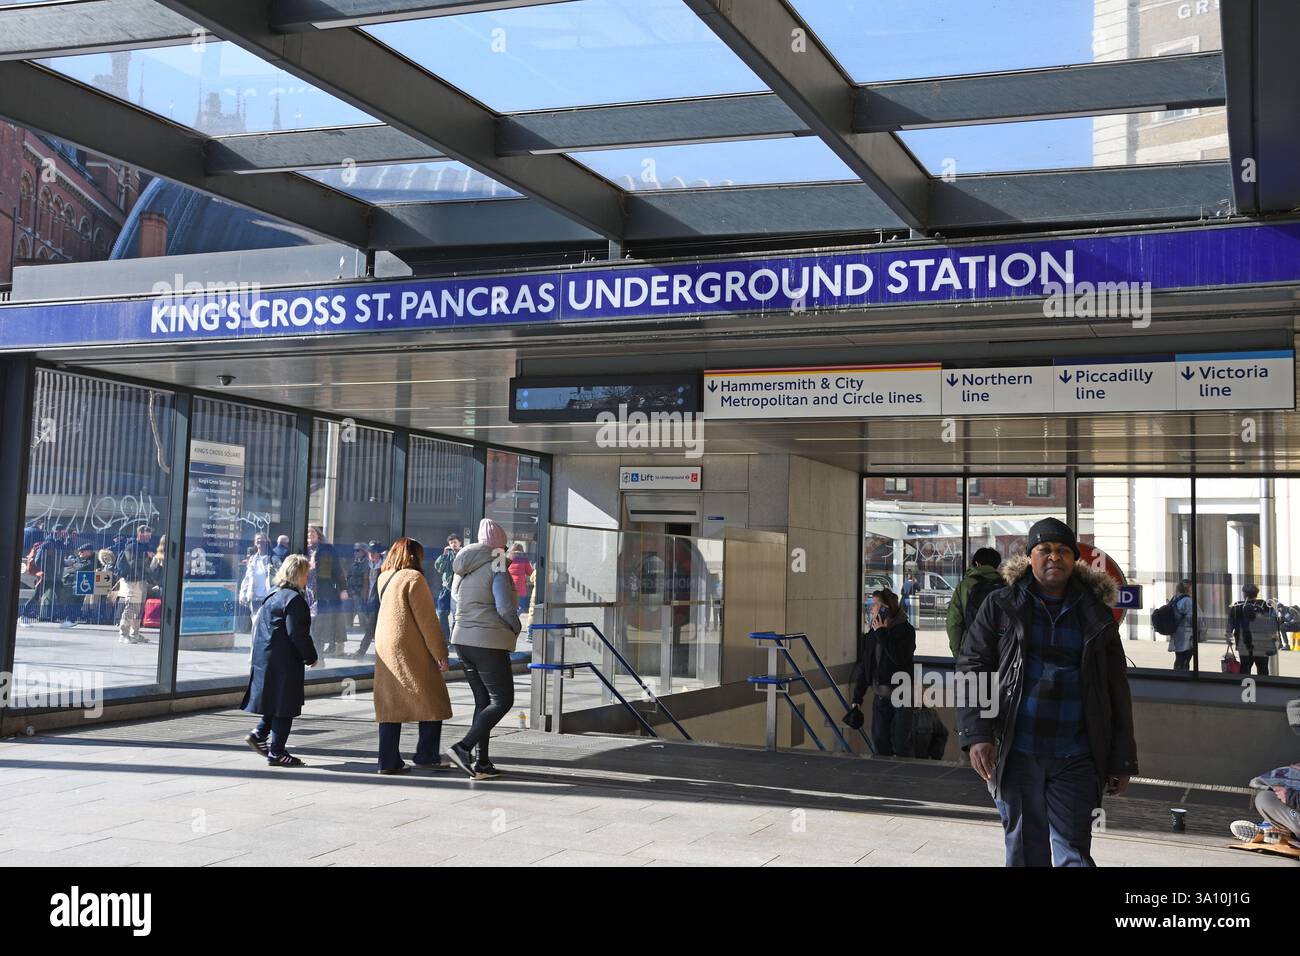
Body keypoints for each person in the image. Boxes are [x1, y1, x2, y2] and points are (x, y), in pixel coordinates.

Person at [958, 517, 1138, 867]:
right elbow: (973, 666)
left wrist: (1122, 757)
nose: (1054, 557)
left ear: (1074, 559)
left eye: (1062, 550)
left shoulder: (1095, 614)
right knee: (1026, 851)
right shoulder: (1000, 605)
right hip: (1017, 750)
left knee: (1073, 850)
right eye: (1045, 550)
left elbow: (1116, 689)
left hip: (1077, 755)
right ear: (1030, 557)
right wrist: (977, 733)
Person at [448, 519, 520, 780]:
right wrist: (515, 626)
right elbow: (503, 606)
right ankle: (463, 748)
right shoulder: (497, 564)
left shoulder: (464, 565)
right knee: (503, 701)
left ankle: (482, 763)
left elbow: (455, 597)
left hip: (462, 639)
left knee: (484, 702)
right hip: (487, 641)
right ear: (500, 545)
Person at [372, 537, 452, 774]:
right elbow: (427, 621)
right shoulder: (414, 578)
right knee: (432, 698)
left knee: (389, 704)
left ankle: (387, 761)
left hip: (386, 645)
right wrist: (440, 653)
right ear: (415, 556)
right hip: (410, 646)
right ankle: (426, 754)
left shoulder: (384, 577)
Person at [241, 554, 318, 767]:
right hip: (284, 661)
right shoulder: (295, 600)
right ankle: (277, 752)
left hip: (267, 657)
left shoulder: (273, 595)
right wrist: (311, 656)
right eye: (306, 574)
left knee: (275, 700)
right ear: (300, 575)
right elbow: (297, 634)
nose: (308, 578)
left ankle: (258, 734)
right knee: (285, 705)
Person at [848, 588, 916, 756]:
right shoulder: (872, 634)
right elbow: (866, 666)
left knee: (901, 743)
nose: (871, 609)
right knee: (879, 741)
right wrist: (858, 697)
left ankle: (905, 779)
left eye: (874, 604)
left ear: (885, 608)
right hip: (880, 696)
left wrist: (883, 634)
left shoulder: (905, 630)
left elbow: (899, 658)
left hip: (901, 695)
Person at [946, 548, 1002, 659]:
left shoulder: (965, 585)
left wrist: (958, 654)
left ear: (977, 563)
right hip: (999, 650)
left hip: (971, 649)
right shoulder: (1006, 585)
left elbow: (954, 622)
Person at [306, 525, 349, 657]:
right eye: (307, 532)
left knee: (318, 627)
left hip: (322, 593)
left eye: (312, 531)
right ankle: (314, 656)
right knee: (308, 626)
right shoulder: (302, 549)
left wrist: (343, 588)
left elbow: (337, 570)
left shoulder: (326, 549)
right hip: (306, 593)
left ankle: (318, 657)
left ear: (318, 534)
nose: (309, 534)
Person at [114, 524, 154, 644]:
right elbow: (132, 563)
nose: (149, 537)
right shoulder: (131, 546)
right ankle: (123, 633)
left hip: (141, 580)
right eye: (147, 534)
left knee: (139, 608)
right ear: (140, 533)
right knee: (131, 606)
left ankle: (134, 633)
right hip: (132, 581)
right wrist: (146, 556)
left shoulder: (144, 546)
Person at [1229, 584, 1276, 676]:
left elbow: (1230, 624)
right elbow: (1274, 624)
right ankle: (1263, 688)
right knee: (1263, 670)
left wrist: (1228, 637)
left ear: (1244, 594)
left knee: (1245, 670)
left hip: (1244, 644)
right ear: (1256, 593)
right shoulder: (1266, 606)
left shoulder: (1237, 606)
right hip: (1262, 644)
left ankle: (1245, 688)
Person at [352, 541, 385, 659]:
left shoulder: (385, 566)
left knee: (370, 627)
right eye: (370, 552)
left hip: (378, 601)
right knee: (373, 628)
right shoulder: (367, 565)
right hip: (367, 599)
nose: (371, 554)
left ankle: (361, 651)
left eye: (374, 552)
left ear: (379, 553)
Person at [238, 532, 278, 629]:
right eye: (258, 539)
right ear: (255, 543)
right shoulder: (252, 559)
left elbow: (280, 575)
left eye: (262, 539)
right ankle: (256, 644)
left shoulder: (273, 558)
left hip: (268, 598)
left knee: (267, 625)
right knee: (256, 624)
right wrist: (242, 594)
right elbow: (247, 578)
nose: (260, 541)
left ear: (267, 542)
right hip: (255, 598)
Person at [58, 541, 97, 628]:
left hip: (83, 585)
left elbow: (81, 567)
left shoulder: (93, 560)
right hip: (75, 584)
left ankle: (72, 619)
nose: (80, 553)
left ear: (88, 552)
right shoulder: (81, 559)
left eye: (82, 551)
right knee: (72, 602)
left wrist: (74, 565)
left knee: (77, 602)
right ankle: (70, 619)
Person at [433, 533, 461, 640]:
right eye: (451, 542)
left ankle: (454, 638)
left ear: (459, 543)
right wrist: (444, 555)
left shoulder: (464, 554)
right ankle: (445, 639)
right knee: (442, 612)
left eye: (455, 542)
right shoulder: (447, 555)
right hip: (446, 588)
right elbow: (439, 568)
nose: (453, 544)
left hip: (458, 589)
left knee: (456, 615)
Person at [1168, 580, 1195, 671]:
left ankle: (1176, 675)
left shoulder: (1175, 598)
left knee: (1179, 658)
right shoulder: (1187, 600)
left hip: (1177, 633)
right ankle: (1184, 677)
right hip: (1186, 633)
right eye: (1191, 587)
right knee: (1186, 659)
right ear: (1187, 588)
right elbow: (1192, 618)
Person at [508, 543, 534, 615]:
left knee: (510, 608)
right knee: (521, 608)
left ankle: (511, 621)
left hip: (509, 588)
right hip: (520, 589)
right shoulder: (524, 560)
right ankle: (515, 620)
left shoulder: (507, 559)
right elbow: (530, 573)